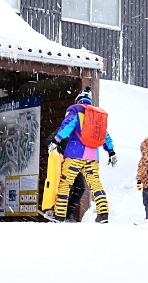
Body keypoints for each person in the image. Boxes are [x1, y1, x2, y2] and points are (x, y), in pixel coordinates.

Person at [48, 86, 117, 223]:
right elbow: (105, 136)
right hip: (92, 156)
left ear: (78, 99)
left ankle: (60, 215)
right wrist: (111, 152)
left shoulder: (76, 110)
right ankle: (103, 214)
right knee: (95, 184)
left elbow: (68, 126)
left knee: (66, 183)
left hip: (75, 154)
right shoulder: (96, 115)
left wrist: (56, 140)